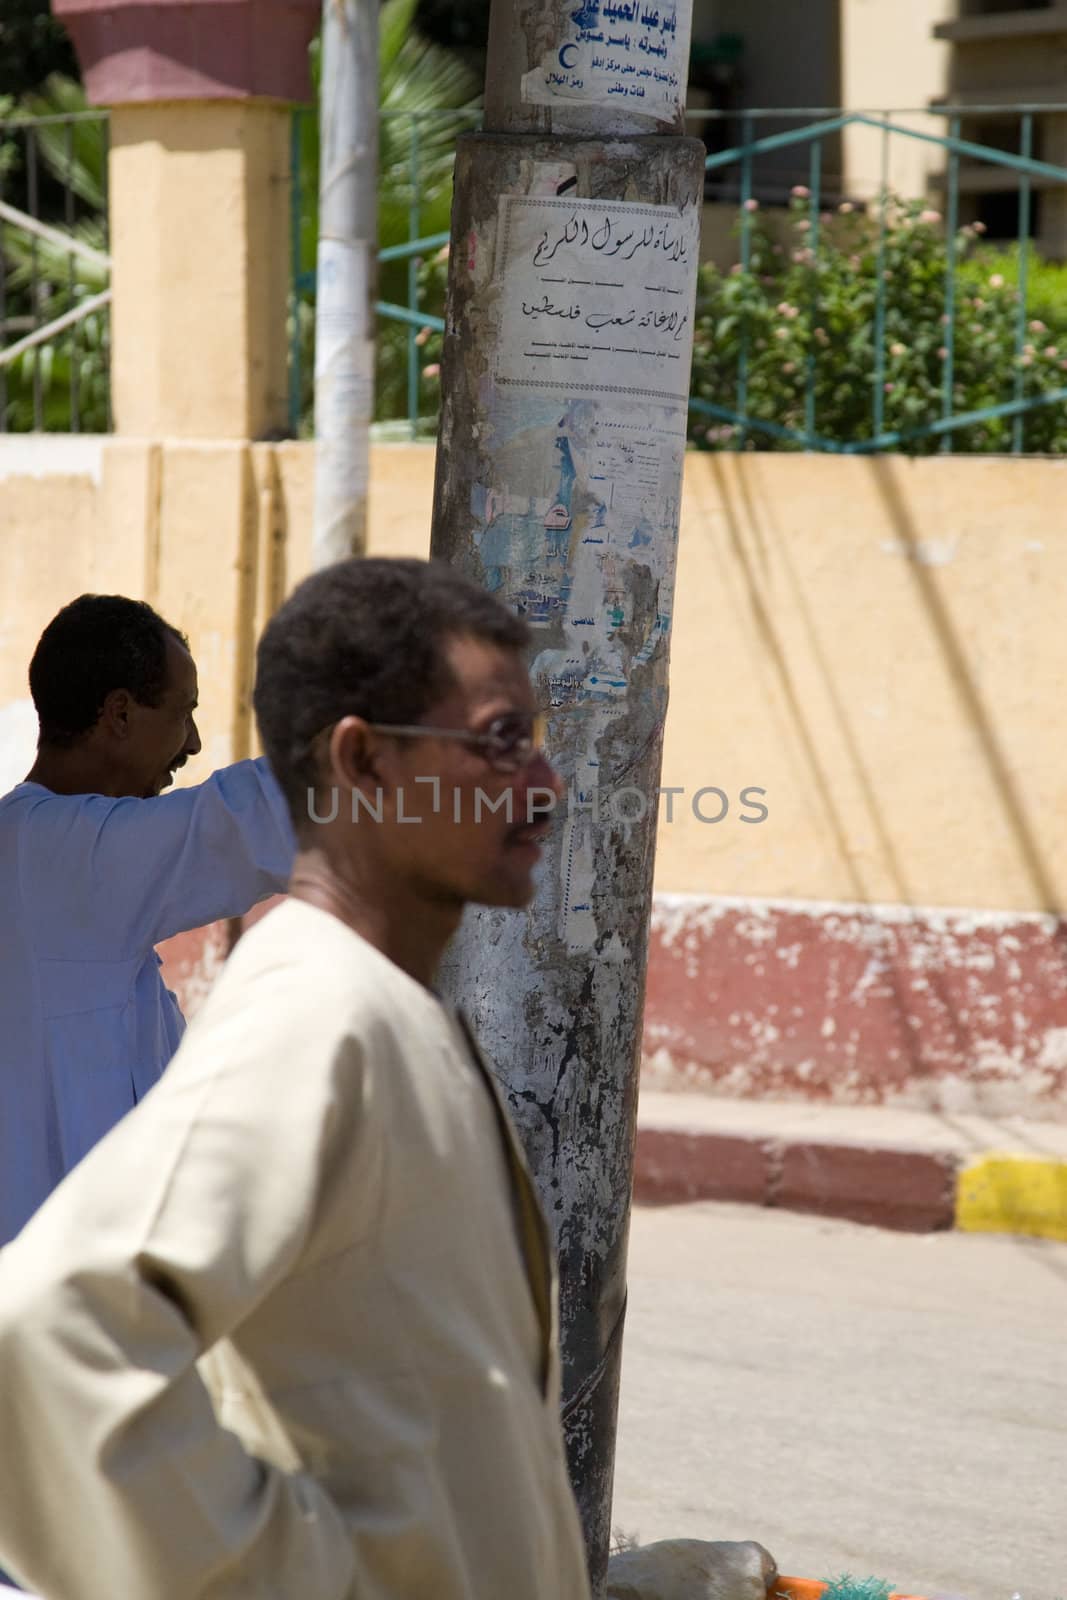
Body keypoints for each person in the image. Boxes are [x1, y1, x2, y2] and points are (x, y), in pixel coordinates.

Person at [0, 557, 591, 1600]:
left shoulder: (51, 860)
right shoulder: (299, 1004)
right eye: (495, 746)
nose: (543, 784)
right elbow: (241, 814)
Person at [0, 594, 295, 1246]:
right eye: (183, 714)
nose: (191, 744)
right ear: (120, 715)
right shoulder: (66, 855)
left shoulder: (37, 847)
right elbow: (244, 821)